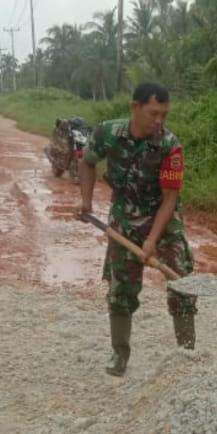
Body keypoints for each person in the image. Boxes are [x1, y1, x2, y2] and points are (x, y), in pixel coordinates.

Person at [77, 82, 195, 377]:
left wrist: (152, 240)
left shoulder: (170, 146)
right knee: (120, 291)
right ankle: (120, 354)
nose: (159, 121)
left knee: (181, 284)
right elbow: (87, 161)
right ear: (135, 107)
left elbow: (170, 199)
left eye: (164, 115)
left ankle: (188, 356)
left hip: (163, 222)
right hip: (124, 220)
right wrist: (86, 201)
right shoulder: (108, 133)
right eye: (153, 113)